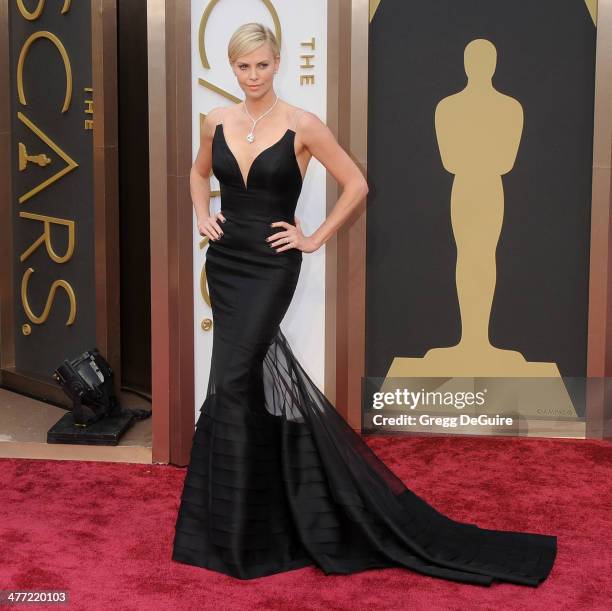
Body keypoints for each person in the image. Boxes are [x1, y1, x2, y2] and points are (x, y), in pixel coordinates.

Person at [172, 22, 557, 585]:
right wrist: (200, 214)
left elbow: (355, 184)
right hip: (227, 263)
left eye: (260, 65)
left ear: (277, 63)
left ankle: (242, 530)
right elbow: (197, 171)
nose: (252, 76)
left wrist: (313, 237)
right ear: (232, 68)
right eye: (242, 67)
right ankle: (241, 528)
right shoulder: (216, 121)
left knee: (230, 381)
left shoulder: (303, 126)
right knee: (232, 383)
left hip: (273, 267)